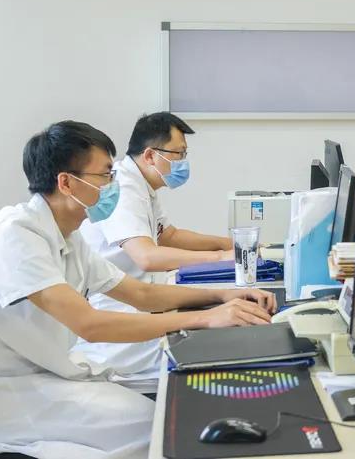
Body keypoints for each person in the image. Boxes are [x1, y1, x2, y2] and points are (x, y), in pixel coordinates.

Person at [0, 121, 275, 459]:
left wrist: (223, 296)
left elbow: (141, 295)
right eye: (106, 175)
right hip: (6, 399)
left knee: (167, 421)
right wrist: (205, 319)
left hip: (48, 375)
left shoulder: (68, 236)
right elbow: (90, 324)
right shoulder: (14, 235)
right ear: (66, 182)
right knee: (165, 430)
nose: (114, 184)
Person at [75, 112, 236, 377]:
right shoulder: (124, 188)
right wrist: (221, 258)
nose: (183, 162)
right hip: (119, 321)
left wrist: (230, 244)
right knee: (217, 347)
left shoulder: (142, 184)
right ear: (150, 155)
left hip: (141, 300)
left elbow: (168, 235)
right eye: (178, 154)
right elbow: (147, 257)